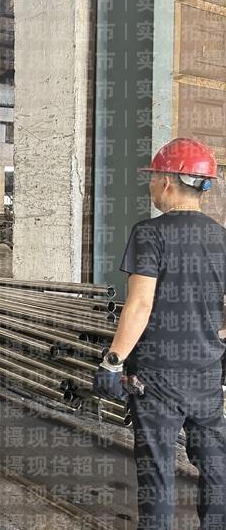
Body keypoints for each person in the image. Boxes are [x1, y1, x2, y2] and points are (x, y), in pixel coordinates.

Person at [94, 137, 226, 530]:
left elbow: (139, 305)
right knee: (215, 465)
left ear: (167, 181)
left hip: (157, 377)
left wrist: (113, 361)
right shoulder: (221, 237)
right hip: (206, 373)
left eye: (152, 177)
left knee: (158, 469)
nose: (150, 185)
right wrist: (214, 336)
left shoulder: (150, 233)